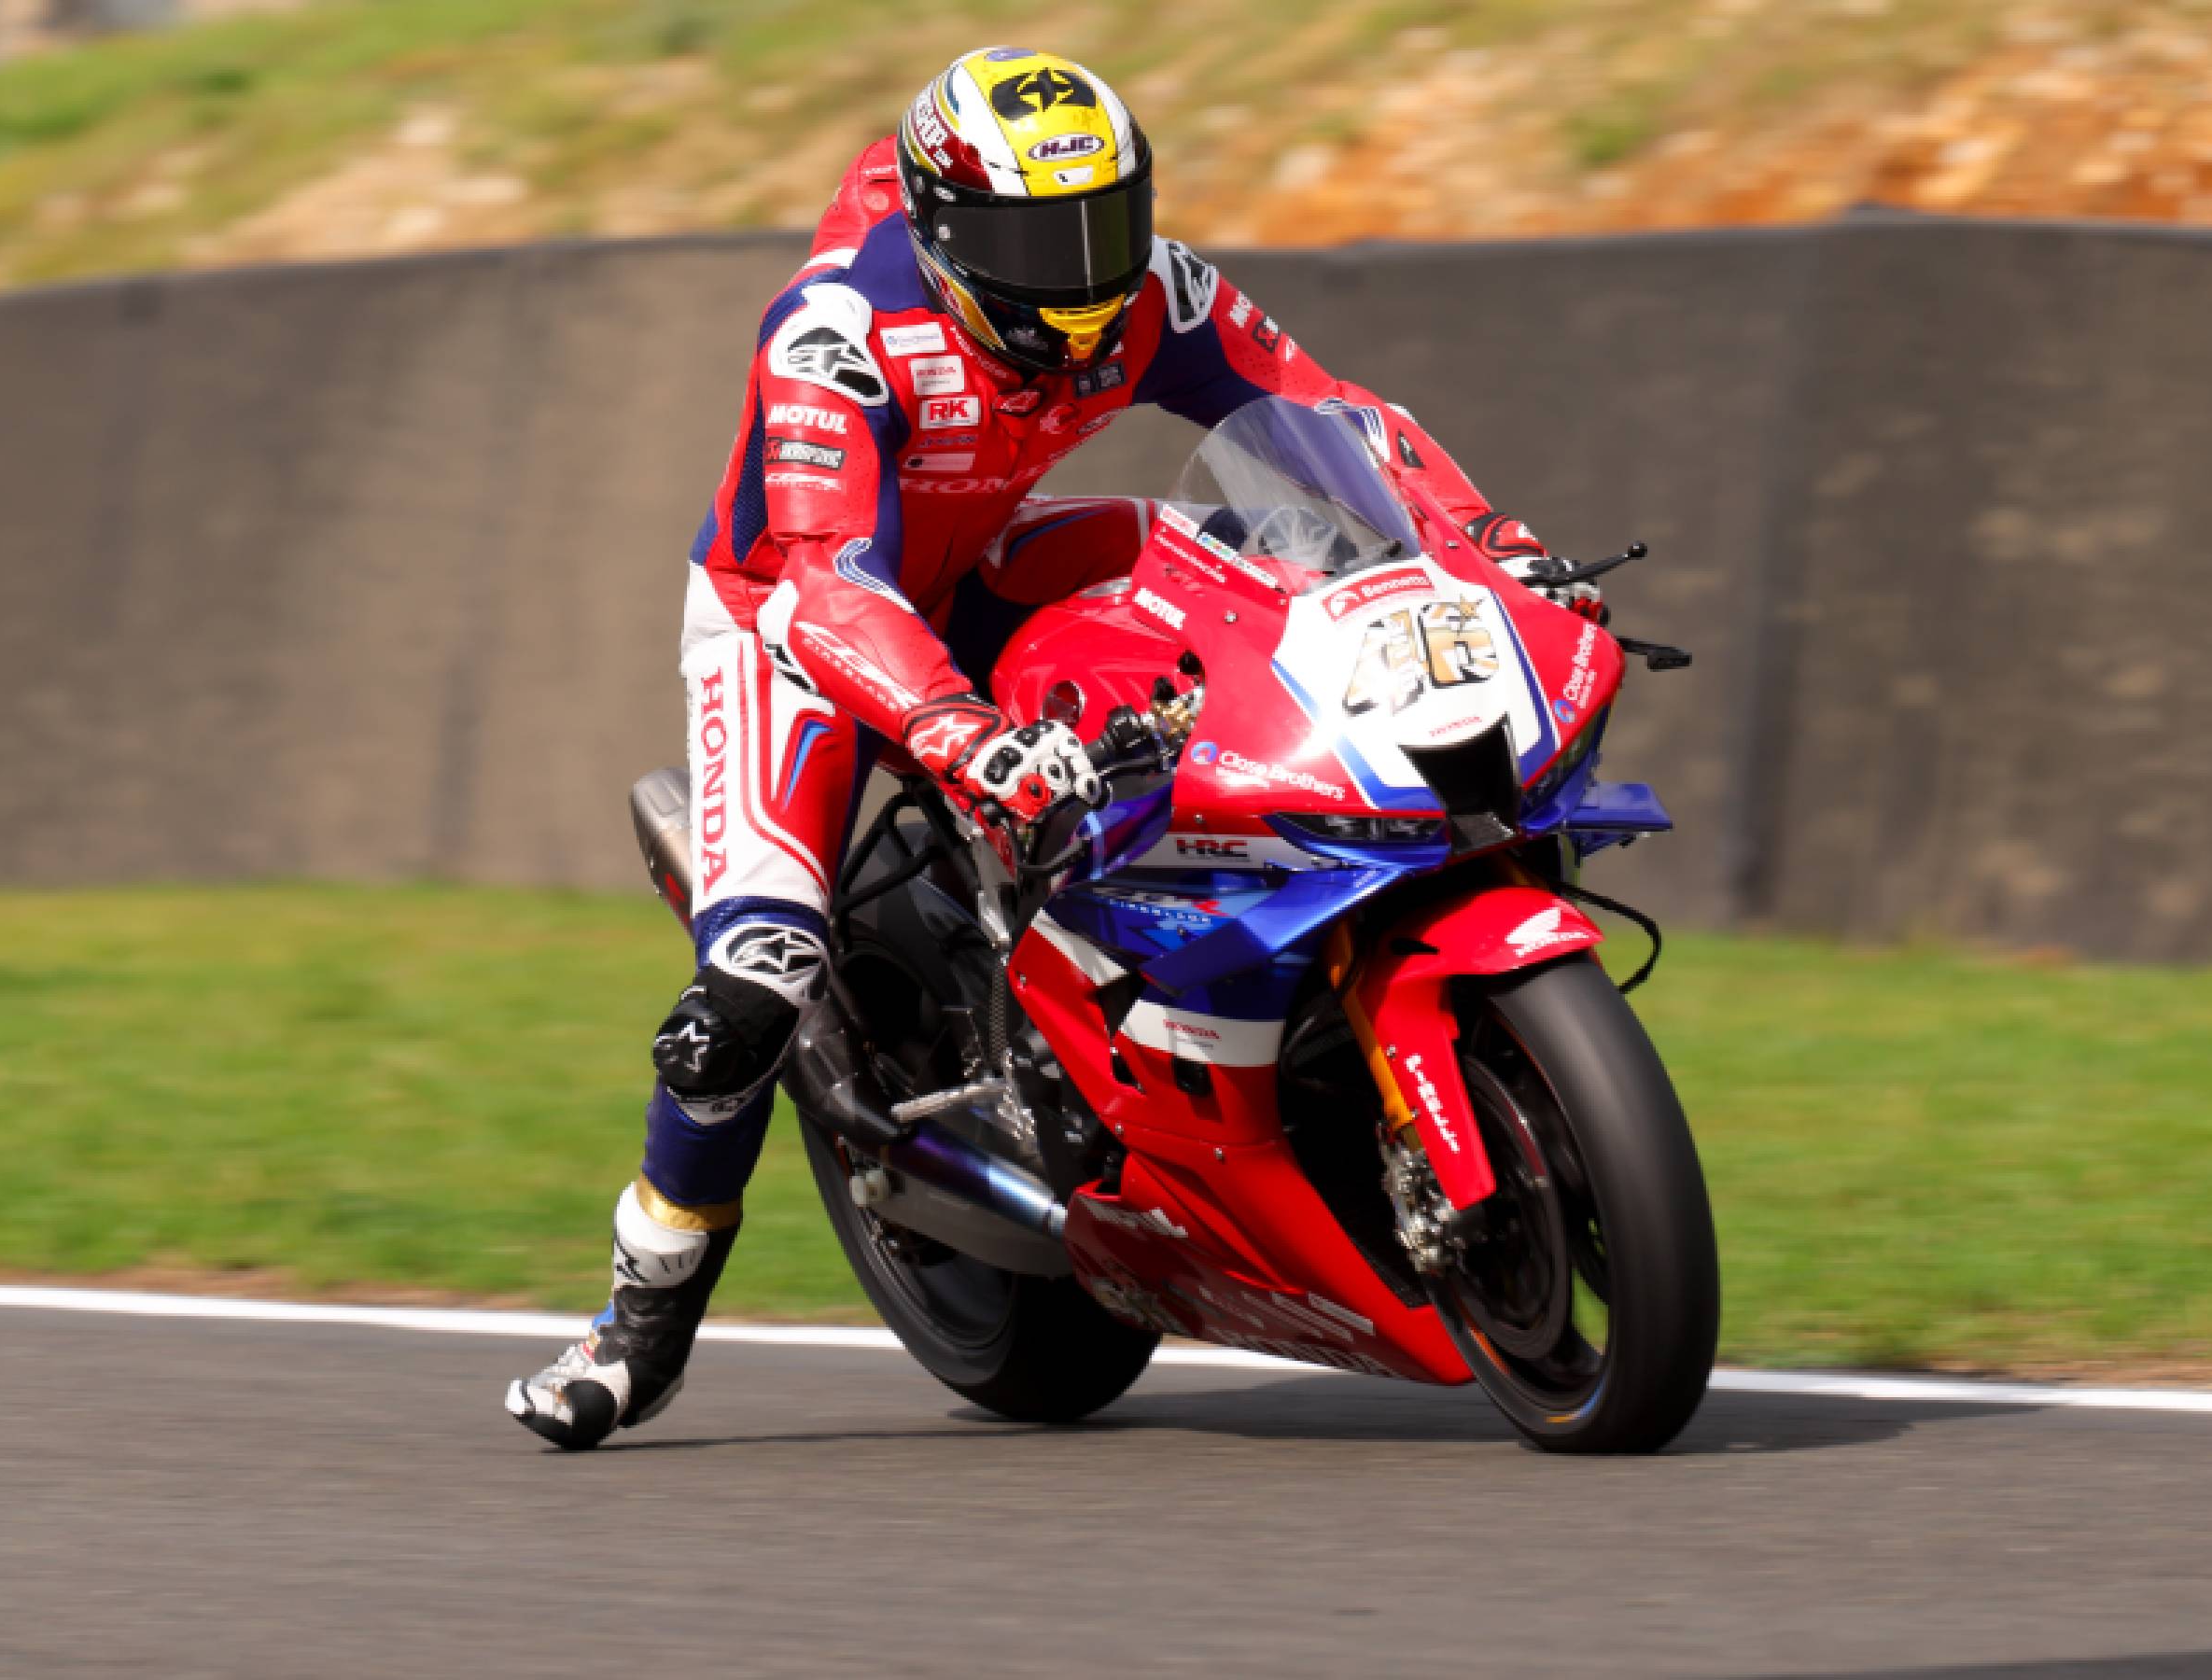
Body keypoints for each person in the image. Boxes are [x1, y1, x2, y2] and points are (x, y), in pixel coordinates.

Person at [507, 45, 1583, 1449]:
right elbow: (835, 582)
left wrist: (1490, 548)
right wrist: (962, 734)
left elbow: (1335, 424)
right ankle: (633, 1330)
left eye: (1100, 227)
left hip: (987, 568)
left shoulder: (1157, 295)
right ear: (947, 227)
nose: (1078, 275)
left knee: (1222, 558)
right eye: (1032, 241)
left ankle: (1204, 975)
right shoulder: (835, 334)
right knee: (754, 985)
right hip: (799, 623)